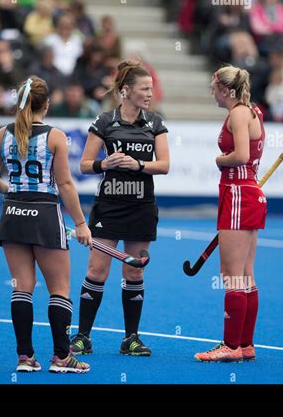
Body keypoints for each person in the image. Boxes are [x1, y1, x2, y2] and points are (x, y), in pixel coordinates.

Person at [0, 76, 91, 373]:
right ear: (47, 104)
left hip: (12, 215)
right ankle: (62, 357)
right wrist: (81, 223)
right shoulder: (55, 136)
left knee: (22, 287)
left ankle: (25, 357)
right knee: (60, 288)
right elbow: (66, 184)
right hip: (44, 214)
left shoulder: (1, 134)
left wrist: (13, 192)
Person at [69, 60, 170, 356]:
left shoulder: (155, 122)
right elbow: (84, 165)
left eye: (151, 89)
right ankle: (82, 337)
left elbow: (164, 165)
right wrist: (105, 163)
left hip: (141, 207)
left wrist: (138, 164)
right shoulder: (104, 122)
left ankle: (131, 339)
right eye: (145, 88)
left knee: (135, 272)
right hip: (109, 207)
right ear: (126, 91)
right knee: (97, 270)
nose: (150, 94)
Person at [194, 65, 266, 363]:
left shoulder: (237, 114)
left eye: (214, 87)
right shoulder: (253, 111)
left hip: (237, 193)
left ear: (226, 89)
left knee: (232, 275)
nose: (212, 91)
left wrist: (218, 159)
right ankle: (245, 344)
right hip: (247, 194)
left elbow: (242, 155)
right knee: (246, 274)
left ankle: (231, 345)